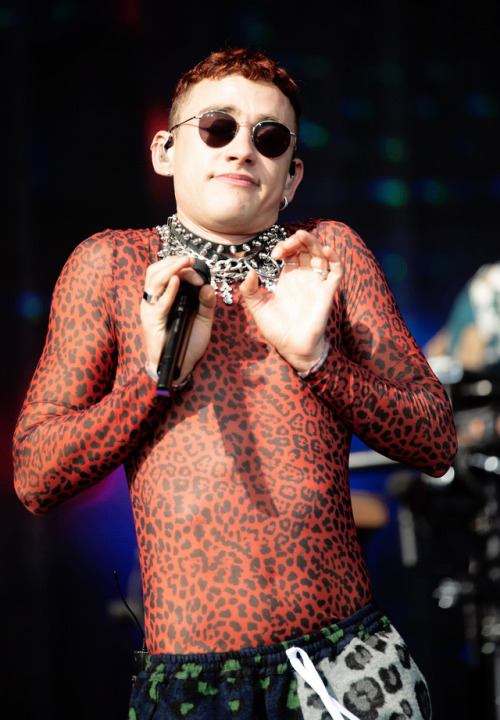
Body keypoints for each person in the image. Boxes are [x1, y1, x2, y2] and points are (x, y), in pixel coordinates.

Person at [13, 48, 457, 720]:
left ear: (292, 174)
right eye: (217, 128)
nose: (242, 150)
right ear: (166, 150)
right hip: (191, 684)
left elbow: (436, 441)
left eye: (269, 138)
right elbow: (35, 477)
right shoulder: (110, 266)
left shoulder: (326, 254)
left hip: (347, 663)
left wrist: (320, 364)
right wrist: (153, 381)